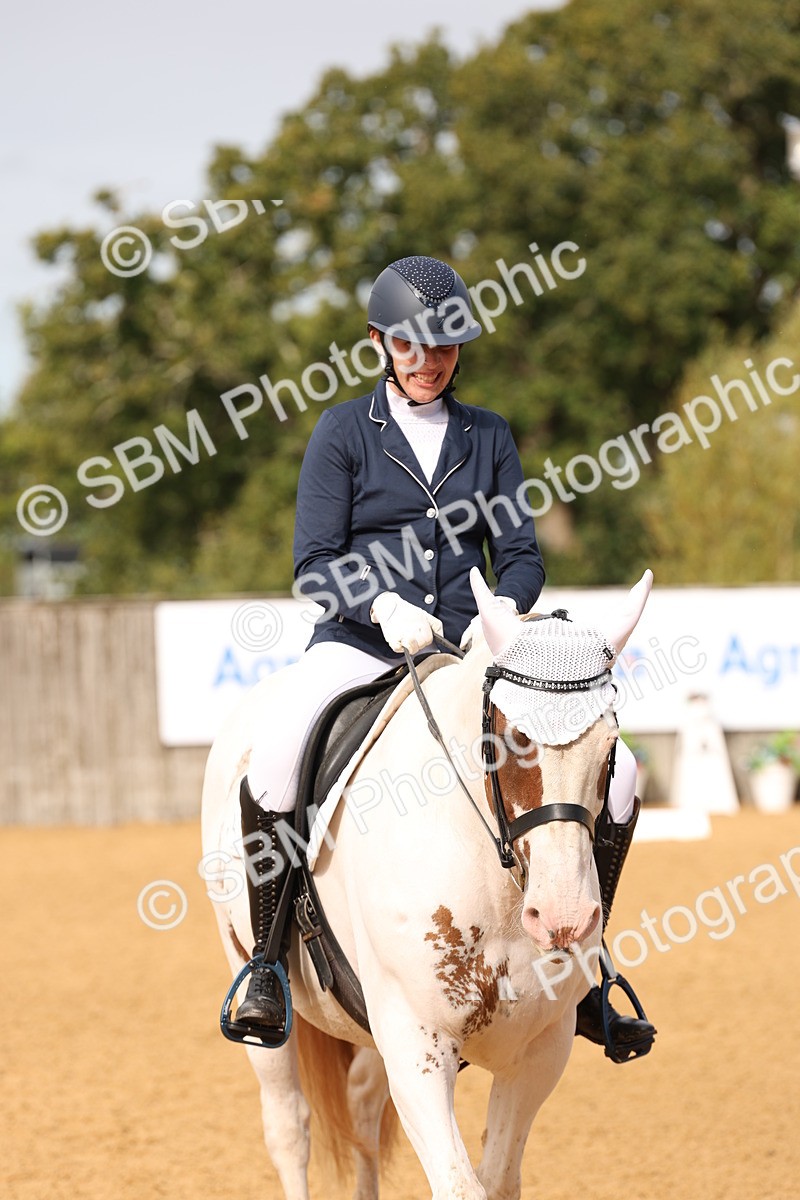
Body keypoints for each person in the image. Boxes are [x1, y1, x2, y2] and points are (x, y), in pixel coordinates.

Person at [234, 254, 654, 1059]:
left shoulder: (488, 434)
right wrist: (381, 604)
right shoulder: (343, 433)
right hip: (362, 644)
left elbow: (521, 553)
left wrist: (501, 611)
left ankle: (589, 968)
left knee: (624, 772)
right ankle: (265, 966)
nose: (427, 363)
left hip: (468, 650)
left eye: (444, 346)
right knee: (277, 758)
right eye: (409, 347)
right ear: (379, 343)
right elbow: (315, 564)